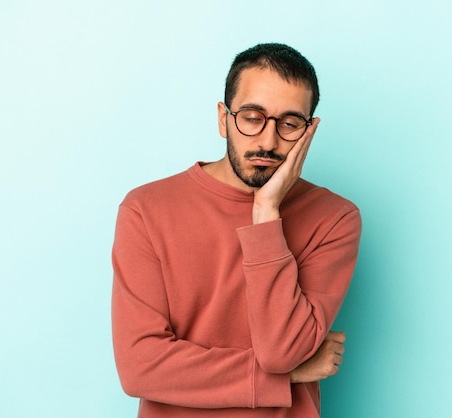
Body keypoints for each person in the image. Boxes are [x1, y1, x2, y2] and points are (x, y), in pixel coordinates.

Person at [111, 42, 362, 417]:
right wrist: (283, 378)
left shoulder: (335, 218)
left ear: (309, 131)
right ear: (223, 118)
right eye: (251, 116)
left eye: (290, 124)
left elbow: (280, 352)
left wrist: (265, 209)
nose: (267, 141)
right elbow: (140, 368)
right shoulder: (146, 209)